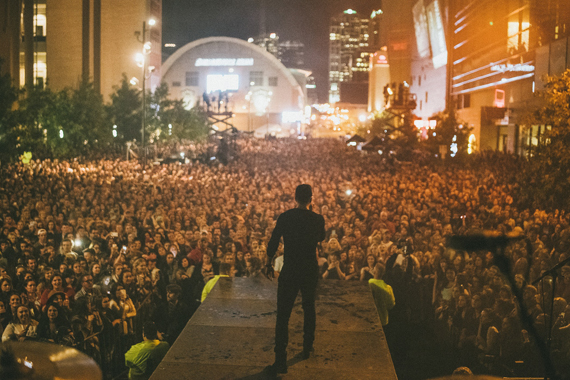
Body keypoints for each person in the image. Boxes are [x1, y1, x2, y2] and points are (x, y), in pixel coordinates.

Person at [265, 184, 325, 376]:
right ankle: (308, 347)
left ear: (295, 197)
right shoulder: (317, 219)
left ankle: (280, 360)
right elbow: (321, 237)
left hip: (290, 268)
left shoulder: (286, 217)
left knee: (283, 314)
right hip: (309, 269)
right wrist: (313, 213)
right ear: (311, 198)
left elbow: (274, 240)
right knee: (309, 307)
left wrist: (268, 261)